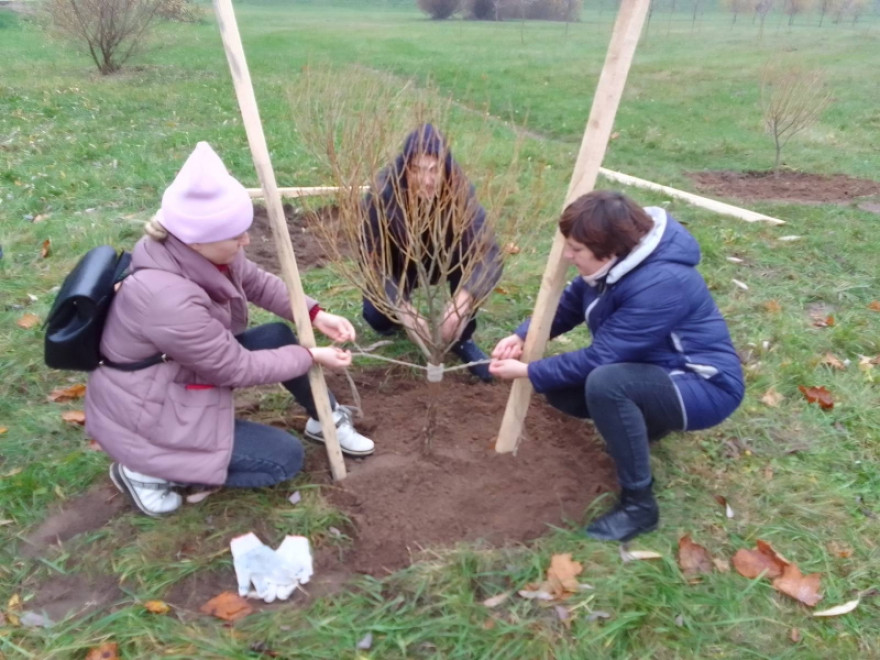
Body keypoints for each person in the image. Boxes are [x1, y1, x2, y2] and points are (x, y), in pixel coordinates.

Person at [85, 142, 374, 518]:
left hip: (179, 372)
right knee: (284, 460)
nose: (246, 241)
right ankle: (146, 469)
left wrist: (315, 313)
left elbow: (258, 284)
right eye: (236, 235)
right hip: (153, 412)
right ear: (197, 238)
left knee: (274, 336)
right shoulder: (166, 298)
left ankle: (326, 419)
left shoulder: (205, 252)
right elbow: (233, 368)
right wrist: (309, 356)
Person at [490, 191, 744, 542]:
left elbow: (600, 358)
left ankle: (640, 506)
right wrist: (522, 337)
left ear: (608, 249)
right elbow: (567, 308)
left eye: (576, 249)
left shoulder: (662, 283)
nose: (568, 255)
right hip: (655, 369)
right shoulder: (613, 267)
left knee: (607, 384)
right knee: (564, 390)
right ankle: (648, 424)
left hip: (703, 385)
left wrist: (530, 372)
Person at [361, 124, 502, 382]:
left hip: (444, 263)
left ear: (445, 169)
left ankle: (461, 337)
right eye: (416, 170)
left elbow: (488, 252)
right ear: (405, 168)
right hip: (399, 264)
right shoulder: (382, 196)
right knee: (378, 319)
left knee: (474, 265)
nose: (426, 181)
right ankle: (403, 322)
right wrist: (403, 309)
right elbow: (372, 260)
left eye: (434, 170)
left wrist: (463, 301)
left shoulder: (460, 194)